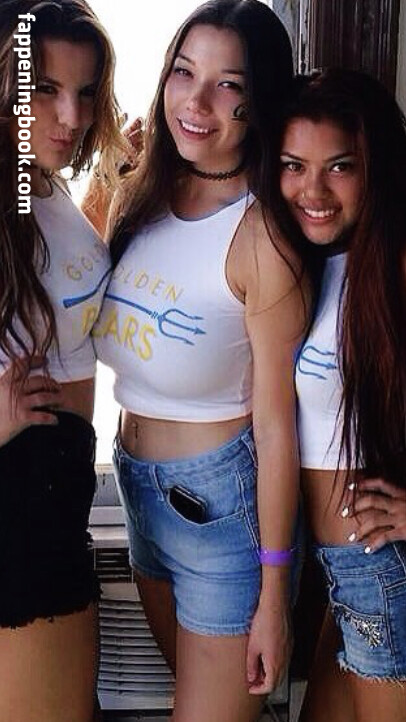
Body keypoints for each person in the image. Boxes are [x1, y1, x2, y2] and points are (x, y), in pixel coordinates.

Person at [94, 1, 310, 720]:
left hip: (222, 515)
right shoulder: (143, 193)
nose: (196, 101)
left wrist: (274, 594)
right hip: (140, 491)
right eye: (185, 73)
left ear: (260, 101)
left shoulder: (261, 235)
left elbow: (277, 427)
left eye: (228, 85)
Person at [0, 1, 125, 720]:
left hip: (55, 506)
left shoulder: (38, 187)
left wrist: (109, 195)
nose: (70, 116)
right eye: (44, 89)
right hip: (17, 510)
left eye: (84, 92)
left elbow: (58, 289)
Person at [279, 68, 406, 722]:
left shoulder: (395, 266)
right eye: (294, 166)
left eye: (340, 167)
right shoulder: (318, 264)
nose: (313, 190)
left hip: (382, 569)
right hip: (343, 575)